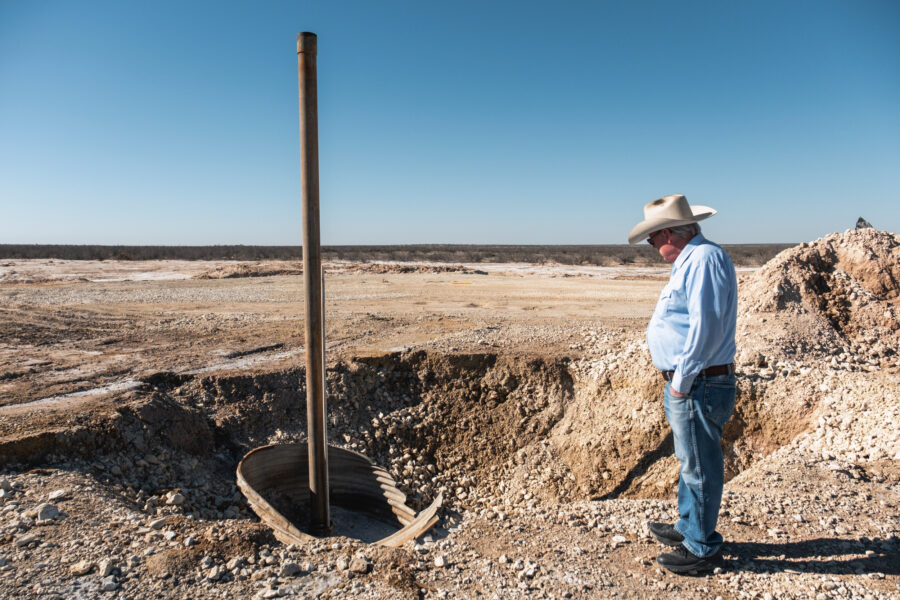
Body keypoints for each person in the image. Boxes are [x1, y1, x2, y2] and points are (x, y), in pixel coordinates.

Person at [627, 194, 738, 574]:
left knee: (701, 466)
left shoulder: (704, 259)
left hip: (698, 382)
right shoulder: (692, 259)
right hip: (692, 381)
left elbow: (704, 328)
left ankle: (702, 548)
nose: (652, 245)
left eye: (653, 237)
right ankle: (689, 528)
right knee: (690, 459)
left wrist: (682, 382)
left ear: (671, 232)